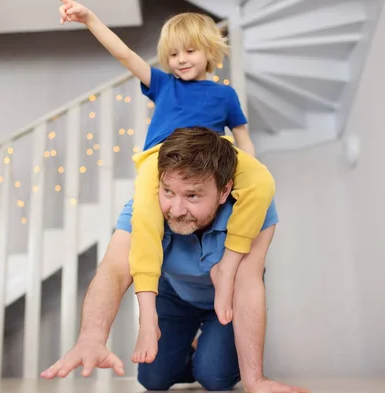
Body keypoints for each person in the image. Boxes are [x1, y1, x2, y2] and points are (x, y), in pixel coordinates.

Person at [57, 0, 276, 364]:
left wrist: (247, 168)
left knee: (264, 184)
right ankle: (150, 314)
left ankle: (227, 268)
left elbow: (242, 136)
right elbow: (126, 55)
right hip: (160, 160)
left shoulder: (225, 95)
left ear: (210, 52)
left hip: (214, 156)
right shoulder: (163, 84)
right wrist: (90, 19)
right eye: (173, 54)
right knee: (144, 222)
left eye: (190, 51)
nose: (181, 60)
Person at [41, 128, 310, 393]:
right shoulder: (143, 209)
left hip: (228, 300)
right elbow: (113, 270)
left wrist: (256, 380)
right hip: (175, 294)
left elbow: (249, 282)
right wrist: (91, 336)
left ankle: (207, 352)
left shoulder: (255, 208)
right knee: (153, 379)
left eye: (192, 196)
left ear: (223, 191)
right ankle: (192, 346)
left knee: (214, 377)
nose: (176, 209)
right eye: (168, 191)